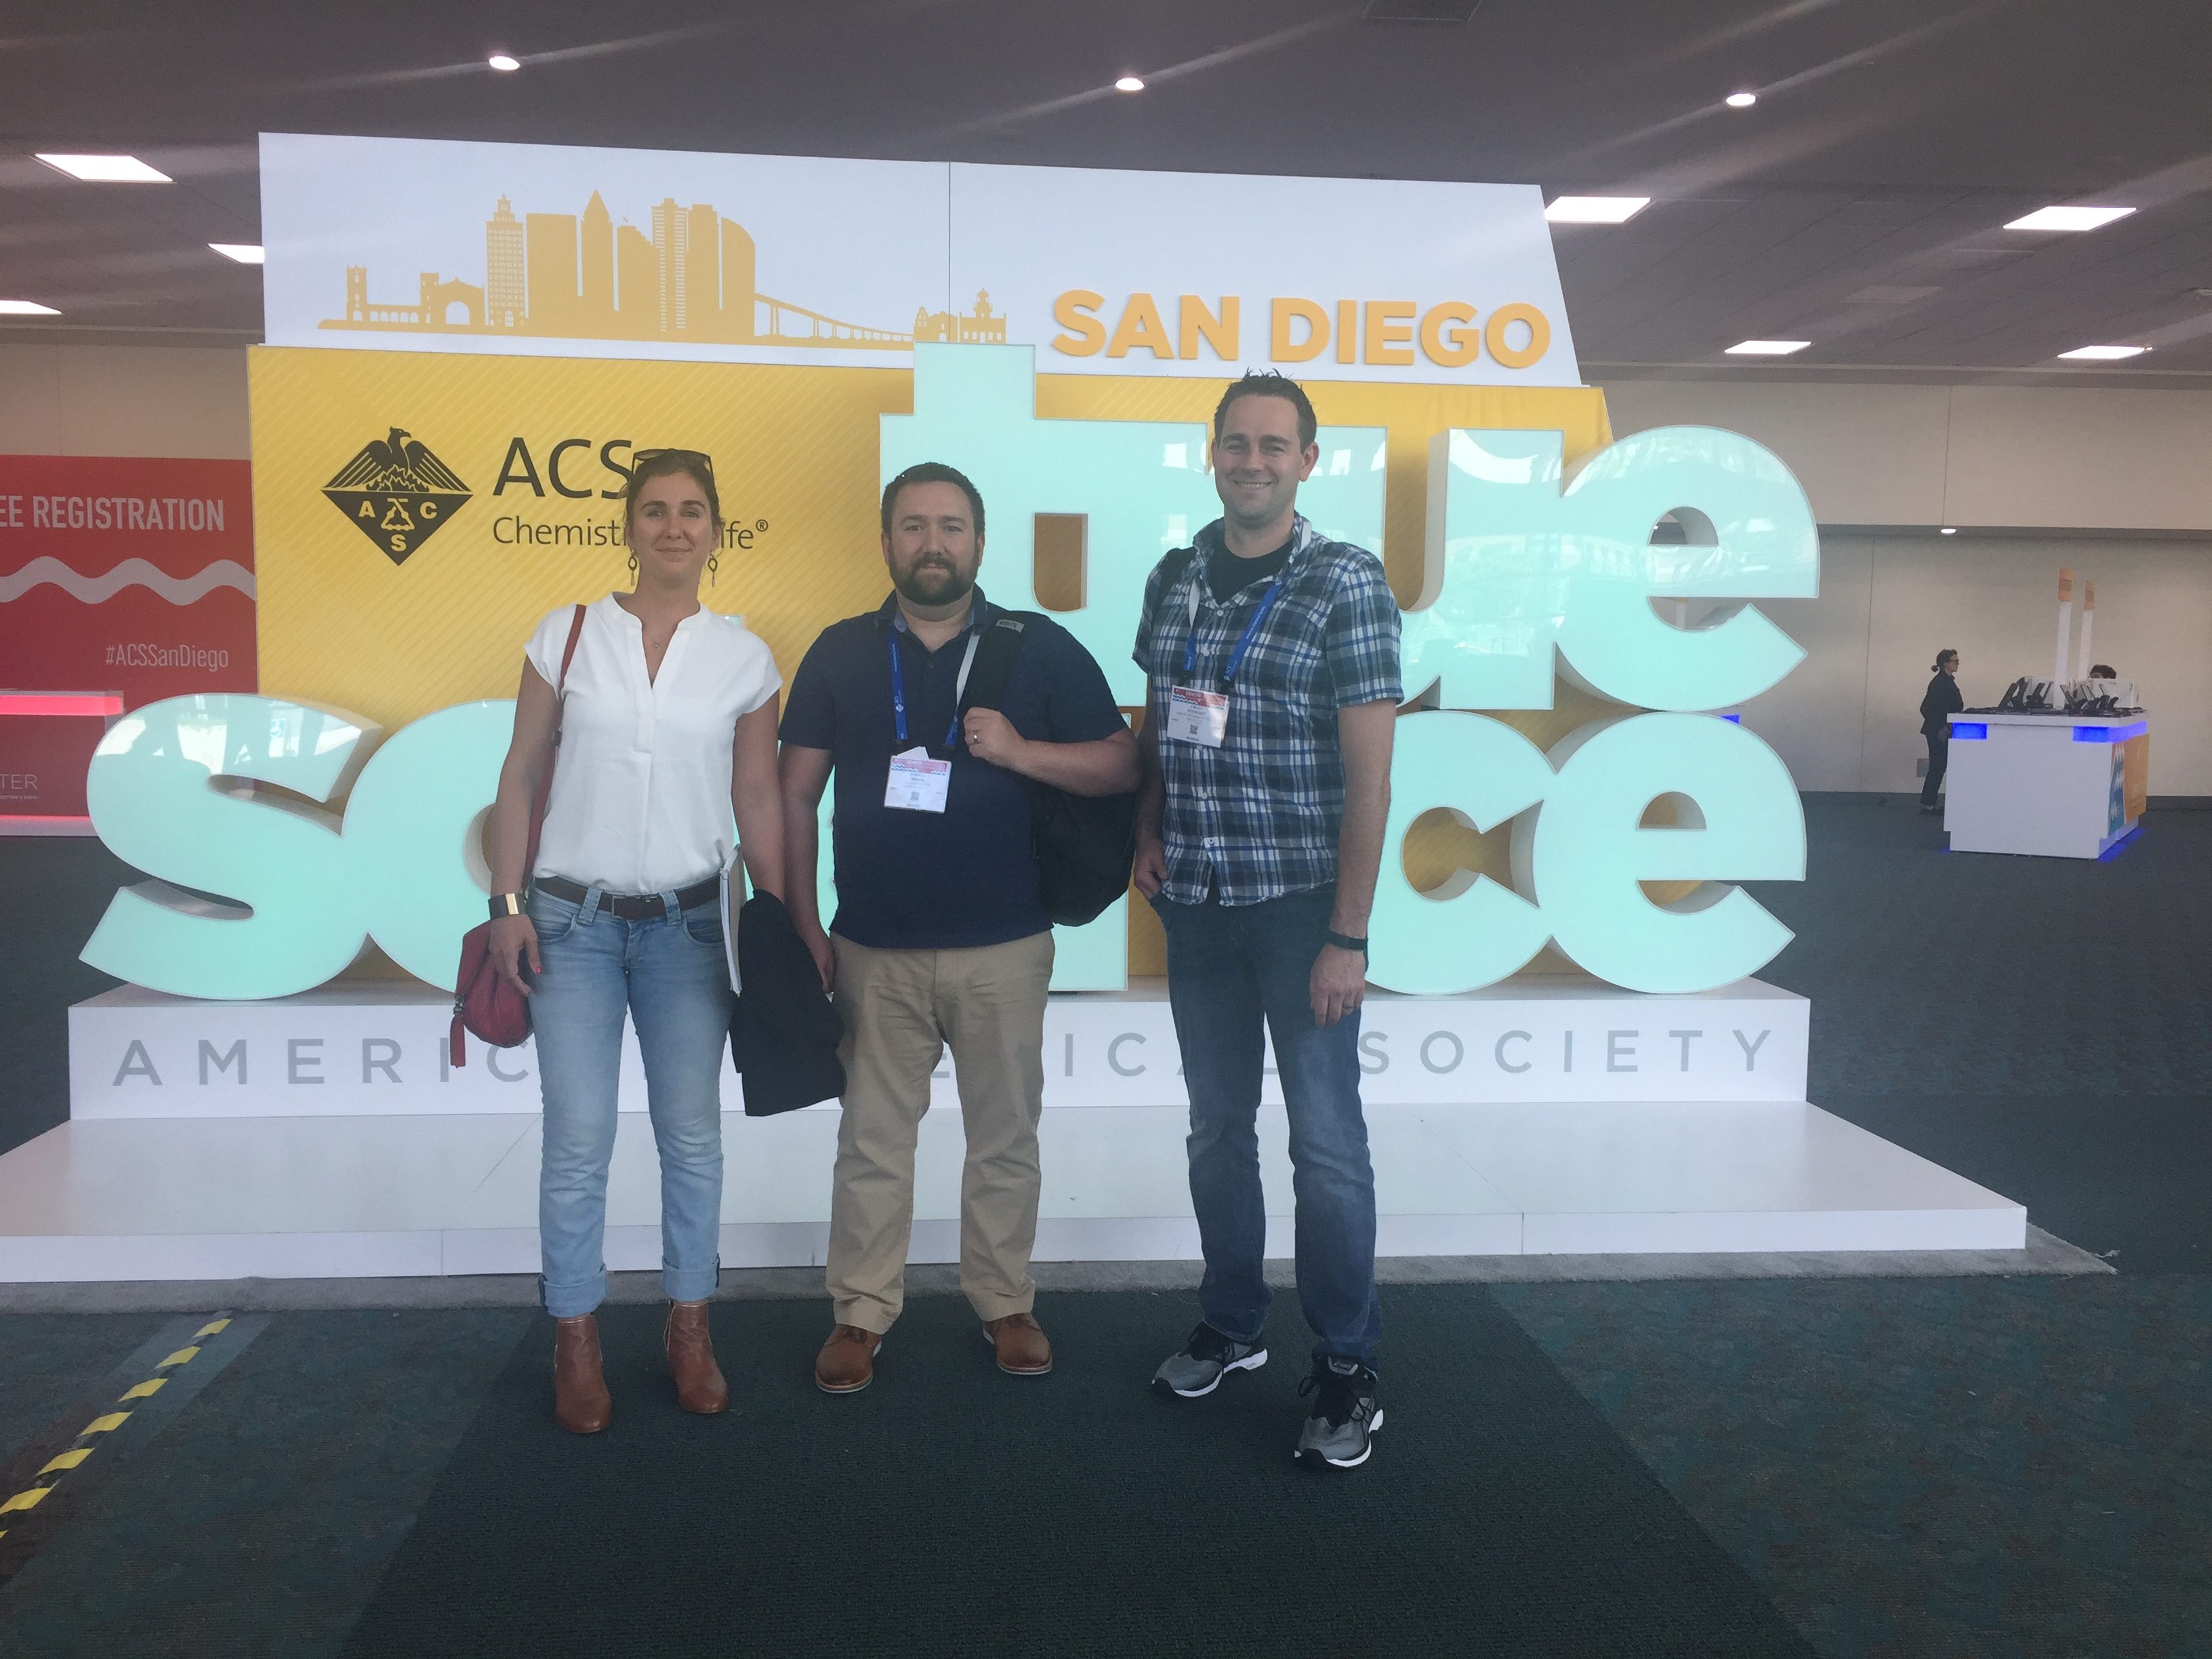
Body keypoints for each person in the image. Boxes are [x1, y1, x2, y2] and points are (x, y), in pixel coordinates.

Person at [778, 462, 1136, 1393]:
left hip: (1005, 945)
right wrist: (801, 923)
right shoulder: (841, 650)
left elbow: (1118, 765)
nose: (931, 543)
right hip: (872, 946)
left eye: (950, 527)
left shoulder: (1040, 648)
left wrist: (1020, 751)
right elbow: (793, 795)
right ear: (886, 541)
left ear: (979, 542)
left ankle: (1005, 1302)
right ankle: (859, 1314)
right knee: (871, 1142)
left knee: (1006, 1136)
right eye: (912, 527)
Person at [1132, 371, 1401, 1471]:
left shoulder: (1345, 583)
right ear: (1210, 453)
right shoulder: (1172, 577)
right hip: (1193, 900)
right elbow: (1155, 725)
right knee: (1213, 1130)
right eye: (1235, 442)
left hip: (1299, 911)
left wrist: (1347, 934)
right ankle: (1232, 1324)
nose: (1252, 459)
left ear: (1306, 460)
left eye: (1273, 444)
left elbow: (1371, 777)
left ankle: (1344, 1364)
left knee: (1326, 1147)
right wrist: (1144, 829)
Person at [486, 449, 785, 1435]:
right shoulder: (566, 634)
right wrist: (504, 902)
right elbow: (522, 773)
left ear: (715, 528)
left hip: (693, 931)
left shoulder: (745, 659)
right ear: (627, 524)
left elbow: (754, 797)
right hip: (568, 925)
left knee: (692, 1139)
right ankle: (575, 1339)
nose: (672, 526)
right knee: (577, 1140)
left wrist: (781, 919)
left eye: (692, 510)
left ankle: (689, 1328)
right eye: (654, 509)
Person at [1921, 649, 1963, 814]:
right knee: (1937, 766)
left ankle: (1929, 802)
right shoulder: (1940, 683)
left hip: (1941, 729)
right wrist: (1941, 728)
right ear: (1945, 663)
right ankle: (1928, 803)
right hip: (1938, 731)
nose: (1957, 663)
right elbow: (1926, 708)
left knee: (1938, 766)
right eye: (1955, 661)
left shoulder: (1947, 681)